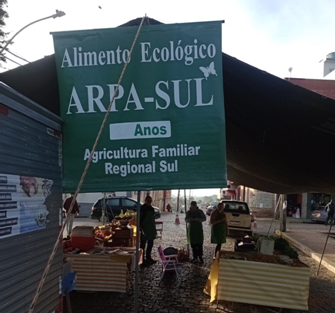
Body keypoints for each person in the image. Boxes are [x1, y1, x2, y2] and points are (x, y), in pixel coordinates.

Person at [140, 196, 157, 265]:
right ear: (145, 200)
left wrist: (154, 227)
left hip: (151, 228)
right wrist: (140, 227)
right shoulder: (142, 208)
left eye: (150, 201)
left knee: (150, 244)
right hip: (144, 228)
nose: (149, 202)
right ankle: (141, 259)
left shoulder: (152, 209)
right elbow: (140, 218)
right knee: (142, 245)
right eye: (148, 201)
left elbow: (153, 219)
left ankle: (148, 257)